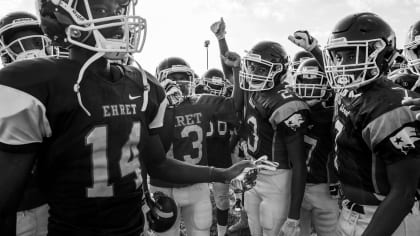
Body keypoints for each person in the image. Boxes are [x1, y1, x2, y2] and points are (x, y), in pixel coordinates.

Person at [0, 1, 251, 236]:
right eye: (100, 9)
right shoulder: (34, 83)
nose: (118, 20)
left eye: (119, 8)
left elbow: (159, 164)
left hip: (134, 227)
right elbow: (6, 200)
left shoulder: (142, 83)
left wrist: (222, 173)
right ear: (60, 14)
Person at [323, 12, 420, 236]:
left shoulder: (391, 105)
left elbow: (404, 192)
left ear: (380, 54)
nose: (342, 64)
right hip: (351, 213)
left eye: (351, 55)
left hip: (385, 219)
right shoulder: (349, 93)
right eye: (338, 56)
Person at [149, 57, 241, 236]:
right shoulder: (151, 106)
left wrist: (236, 71)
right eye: (174, 79)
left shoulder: (201, 101)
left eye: (184, 79)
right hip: (163, 186)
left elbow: (234, 105)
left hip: (196, 183)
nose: (180, 85)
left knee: (201, 230)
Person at [228, 40, 309, 236]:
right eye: (253, 66)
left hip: (276, 178)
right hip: (254, 172)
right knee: (255, 228)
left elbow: (299, 163)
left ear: (279, 71)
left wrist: (294, 216)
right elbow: (235, 102)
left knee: (271, 229)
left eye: (262, 69)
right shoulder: (255, 91)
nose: (254, 72)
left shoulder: (287, 104)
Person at [0, 11, 56, 236]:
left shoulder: (65, 85)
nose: (28, 48)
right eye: (17, 43)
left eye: (34, 40)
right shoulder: (5, 91)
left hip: (59, 204)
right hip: (22, 207)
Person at [291, 58, 339, 236]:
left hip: (324, 187)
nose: (309, 87)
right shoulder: (290, 109)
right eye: (305, 81)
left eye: (316, 82)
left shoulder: (334, 114)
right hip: (297, 185)